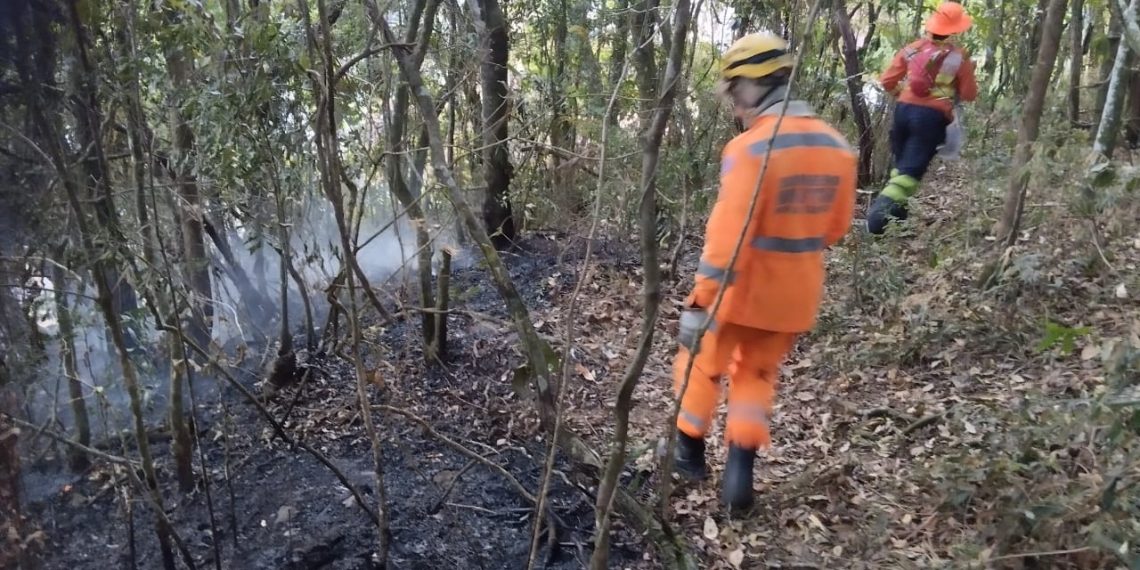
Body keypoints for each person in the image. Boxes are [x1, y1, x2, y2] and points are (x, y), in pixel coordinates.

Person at [671, 31, 856, 512]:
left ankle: (686, 454)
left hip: (738, 291)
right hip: (794, 296)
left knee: (700, 365)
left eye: (735, 92)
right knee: (756, 376)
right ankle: (739, 480)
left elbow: (726, 240)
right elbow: (836, 228)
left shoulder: (751, 150)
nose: (734, 106)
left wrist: (701, 300)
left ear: (757, 84)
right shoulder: (838, 147)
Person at [868, 1, 978, 235]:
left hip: (903, 111)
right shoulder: (959, 57)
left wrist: (902, 94)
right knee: (908, 174)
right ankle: (875, 224)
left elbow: (887, 81)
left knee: (901, 168)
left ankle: (897, 221)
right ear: (955, 30)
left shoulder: (912, 49)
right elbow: (969, 95)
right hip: (931, 118)